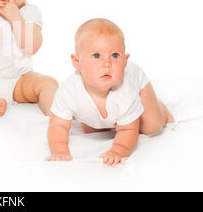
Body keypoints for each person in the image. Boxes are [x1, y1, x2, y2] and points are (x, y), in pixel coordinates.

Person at [46, 18, 174, 166]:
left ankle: (161, 109)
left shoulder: (126, 90)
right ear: (77, 62)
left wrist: (118, 150)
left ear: (125, 61)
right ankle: (114, 119)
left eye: (114, 55)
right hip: (105, 107)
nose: (107, 64)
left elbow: (128, 129)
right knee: (93, 130)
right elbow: (58, 125)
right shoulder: (69, 91)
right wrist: (59, 151)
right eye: (96, 55)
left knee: (151, 126)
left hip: (139, 85)